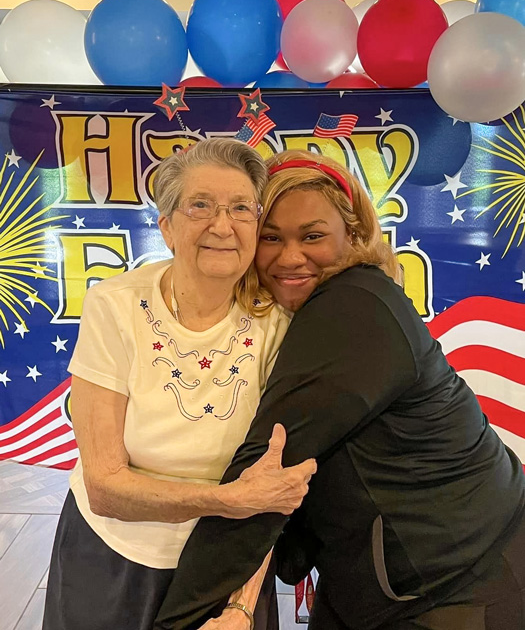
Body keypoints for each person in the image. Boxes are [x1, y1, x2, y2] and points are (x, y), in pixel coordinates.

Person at [153, 149, 525, 630]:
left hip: (459, 585)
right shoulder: (305, 314)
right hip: (385, 581)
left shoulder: (352, 306)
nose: (290, 257)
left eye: (312, 236)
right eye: (271, 238)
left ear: (351, 235)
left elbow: (266, 467)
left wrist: (180, 621)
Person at [42, 139, 316, 630]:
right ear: (167, 227)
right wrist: (225, 501)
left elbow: (276, 486)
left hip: (225, 565)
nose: (222, 225)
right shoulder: (115, 305)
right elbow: (105, 487)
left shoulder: (280, 324)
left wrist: (242, 606)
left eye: (240, 208)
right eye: (200, 205)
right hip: (111, 554)